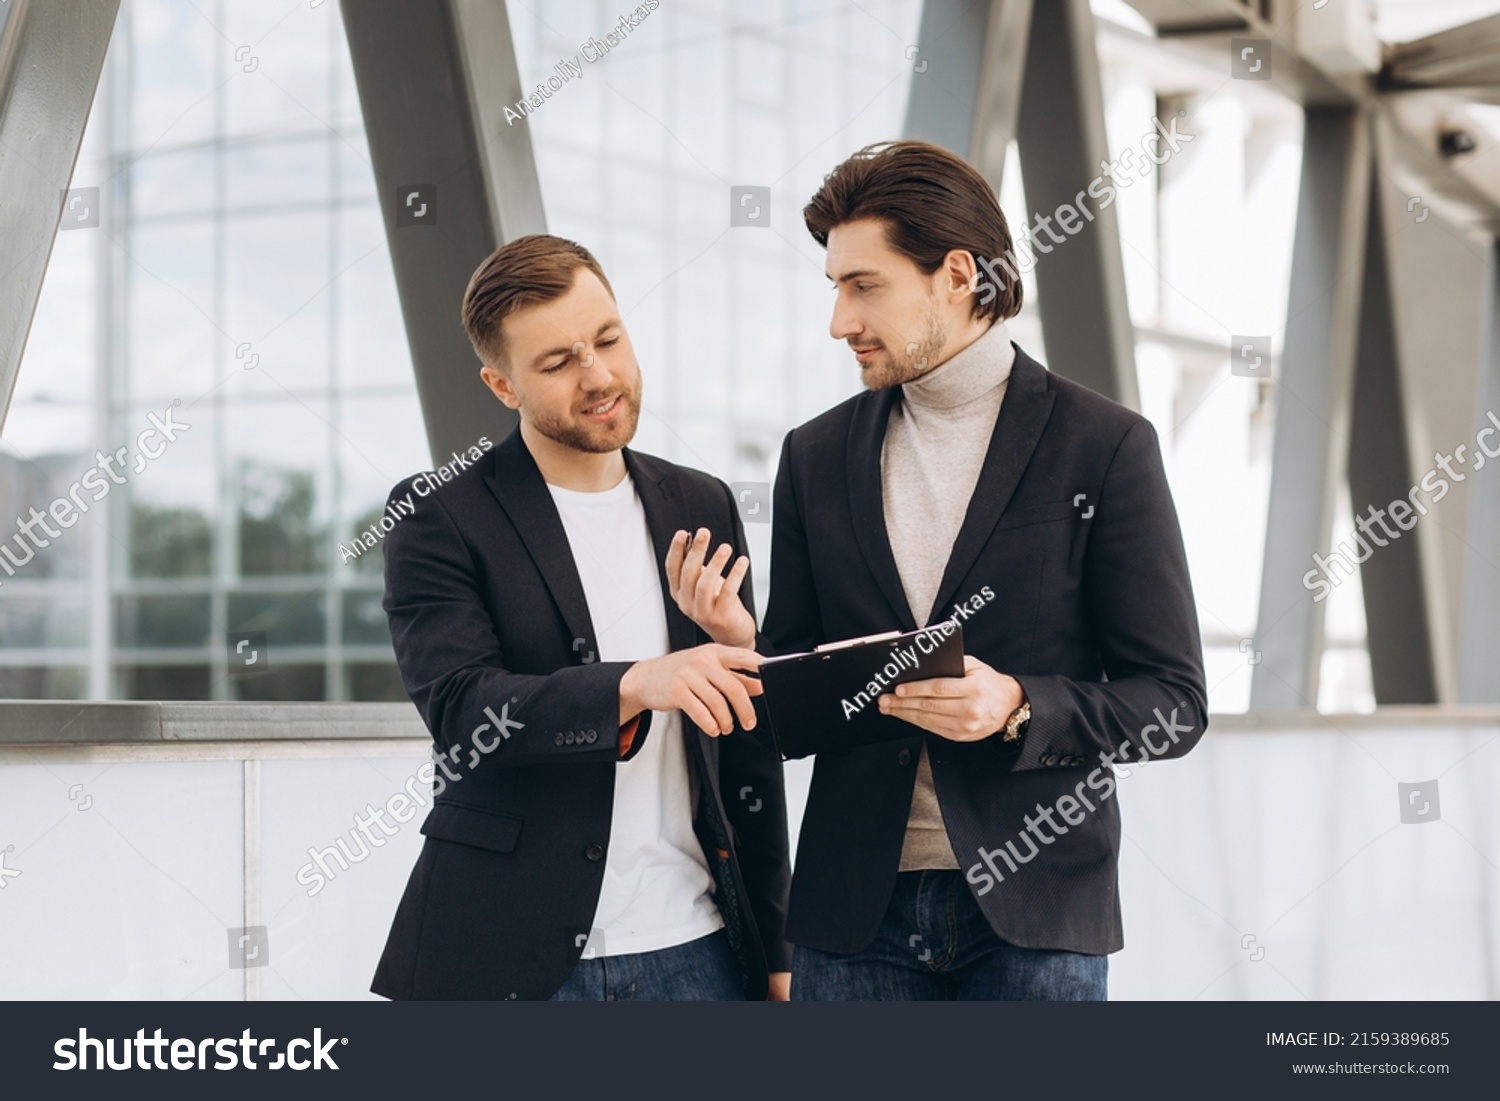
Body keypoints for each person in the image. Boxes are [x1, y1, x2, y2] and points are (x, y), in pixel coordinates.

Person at [680, 140, 1207, 1000]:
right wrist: (748, 647)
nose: (839, 321)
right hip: (853, 920)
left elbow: (1175, 706)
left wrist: (1020, 704)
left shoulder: (1104, 446)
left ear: (957, 275)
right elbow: (792, 717)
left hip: (1034, 920)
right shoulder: (815, 456)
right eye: (836, 288)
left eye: (864, 285)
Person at [370, 234, 791, 1001]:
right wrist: (636, 683)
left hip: (697, 951)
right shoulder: (440, 513)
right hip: (509, 956)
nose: (599, 376)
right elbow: (465, 712)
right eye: (559, 362)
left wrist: (777, 946)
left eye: (608, 340)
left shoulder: (701, 503)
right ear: (502, 385)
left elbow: (747, 759)